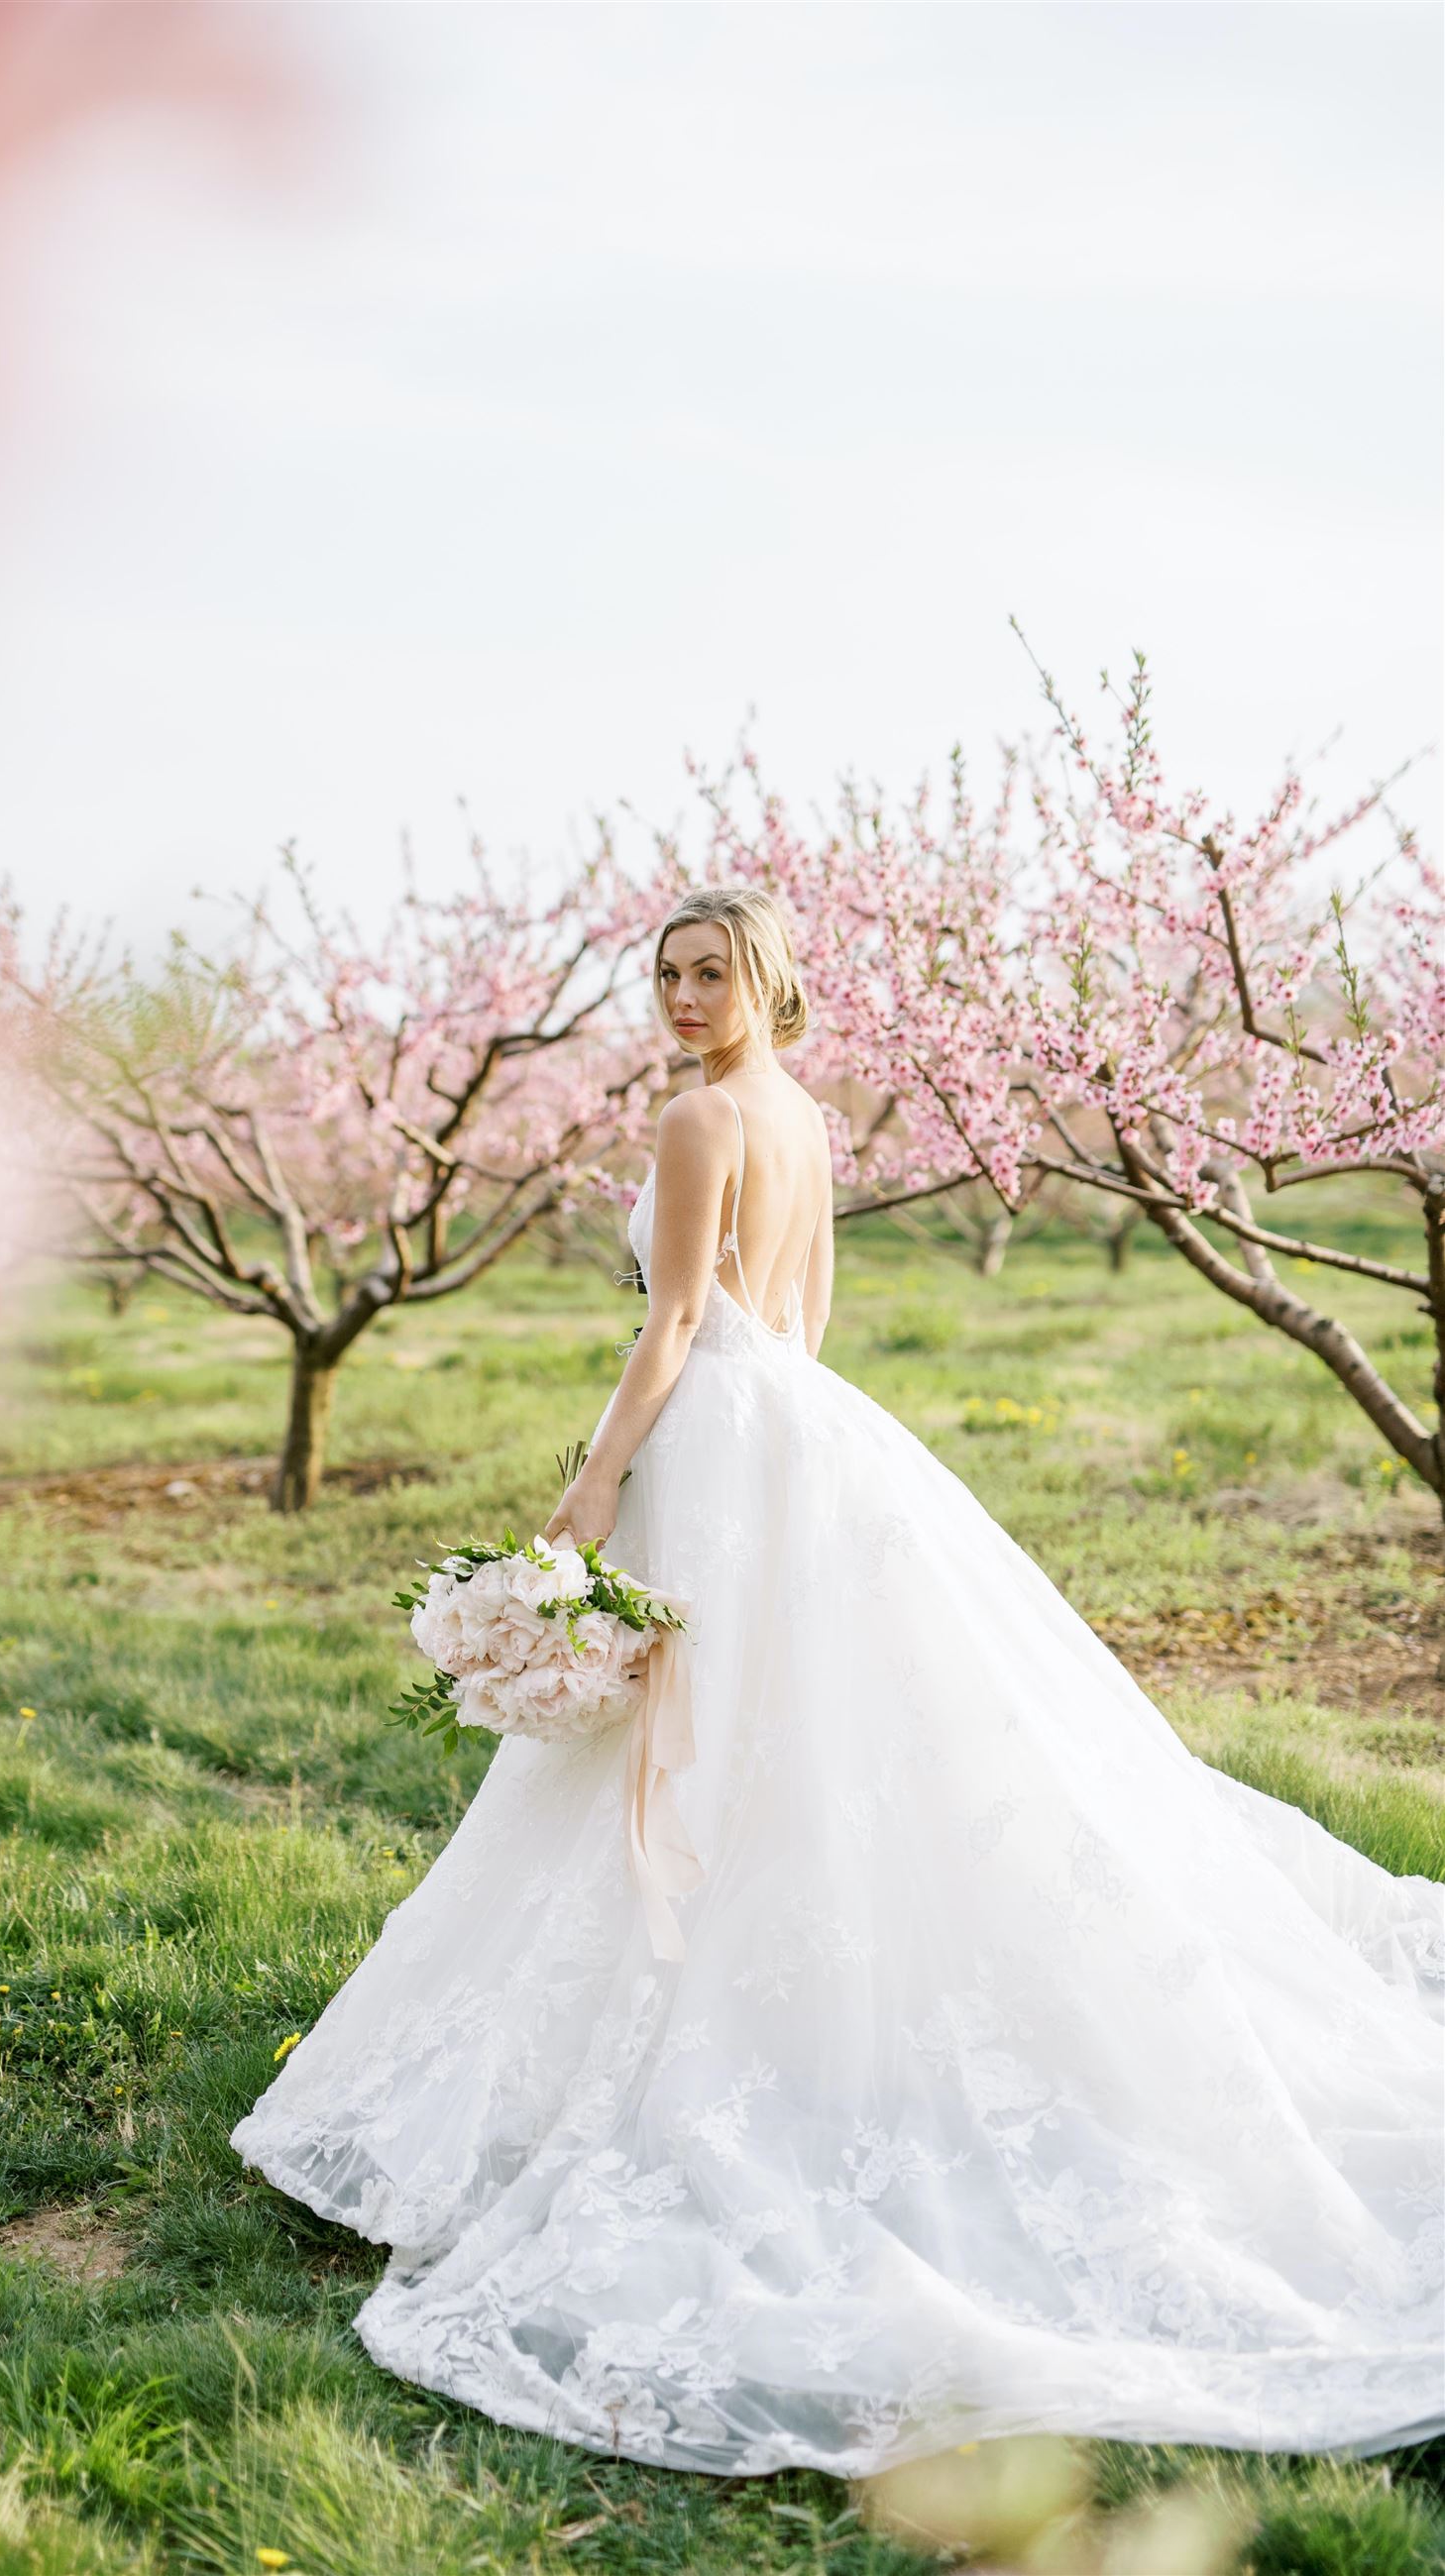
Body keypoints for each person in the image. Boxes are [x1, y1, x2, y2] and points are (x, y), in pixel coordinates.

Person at [230, 885, 1444, 2476]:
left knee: (705, 1741)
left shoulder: (695, 1120)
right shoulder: (798, 1114)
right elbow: (793, 1313)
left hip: (721, 1439)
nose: (677, 993)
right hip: (805, 1427)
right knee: (797, 1738)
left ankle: (721, 2034)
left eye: (707, 968)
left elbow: (675, 1321)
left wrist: (595, 1487)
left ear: (765, 976)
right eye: (662, 970)